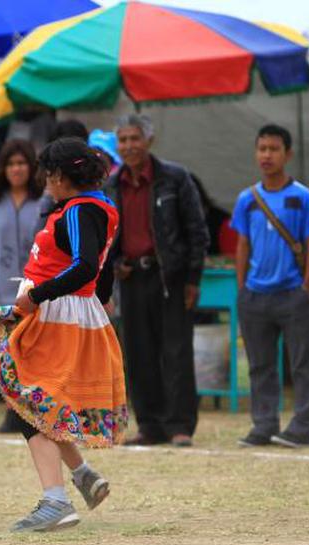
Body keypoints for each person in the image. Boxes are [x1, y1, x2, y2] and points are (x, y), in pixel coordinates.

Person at [0, 137, 127, 533]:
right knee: (40, 403)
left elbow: (85, 266)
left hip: (56, 314)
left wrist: (36, 295)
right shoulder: (102, 207)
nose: (45, 181)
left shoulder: (77, 210)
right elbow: (103, 268)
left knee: (28, 402)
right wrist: (101, 299)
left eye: (48, 174)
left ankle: (56, 500)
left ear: (61, 177)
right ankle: (83, 476)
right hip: (72, 312)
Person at [104, 114, 209, 447]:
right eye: (123, 140)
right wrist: (115, 264)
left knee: (176, 352)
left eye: (135, 138)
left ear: (149, 140)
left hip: (171, 278)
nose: (129, 146)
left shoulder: (174, 178)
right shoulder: (111, 184)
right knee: (138, 353)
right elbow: (106, 236)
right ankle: (149, 425)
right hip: (132, 278)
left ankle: (180, 425)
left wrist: (192, 279)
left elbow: (197, 231)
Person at [232, 125, 309, 448]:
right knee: (260, 365)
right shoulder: (248, 199)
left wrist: (307, 285)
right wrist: (243, 288)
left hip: (292, 293)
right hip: (255, 294)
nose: (266, 155)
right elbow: (242, 244)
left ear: (288, 154)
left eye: (273, 149)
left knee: (303, 364)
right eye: (262, 149)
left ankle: (303, 426)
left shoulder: (301, 196)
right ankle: (264, 424)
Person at [0, 140, 45, 432]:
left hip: (36, 289)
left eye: (22, 163)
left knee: (35, 351)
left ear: (31, 167)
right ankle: (11, 413)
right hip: (0, 289)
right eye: (11, 164)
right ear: (3, 168)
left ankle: (36, 412)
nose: (17, 169)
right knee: (6, 355)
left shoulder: (44, 200)